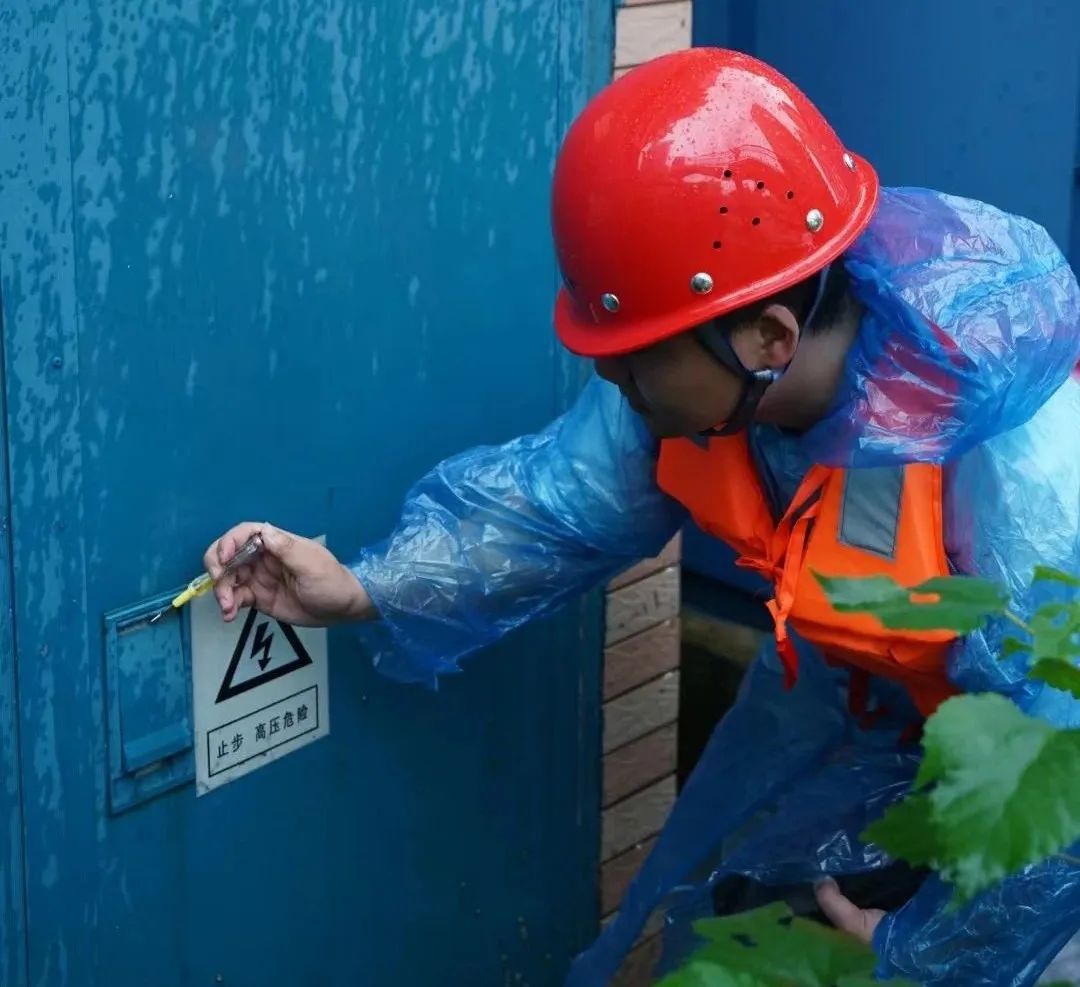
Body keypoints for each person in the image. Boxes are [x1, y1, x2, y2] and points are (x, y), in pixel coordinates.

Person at [205, 48, 1080, 986]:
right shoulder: (703, 385)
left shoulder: (1016, 467)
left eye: (635, 354)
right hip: (894, 738)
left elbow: (1062, 770)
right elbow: (553, 506)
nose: (605, 373)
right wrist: (365, 587)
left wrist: (930, 959)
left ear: (769, 337)